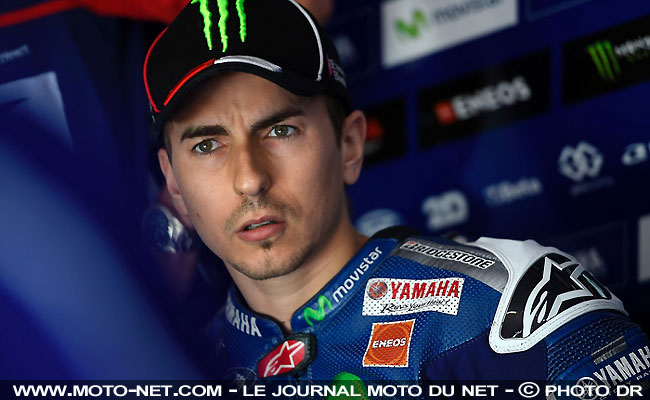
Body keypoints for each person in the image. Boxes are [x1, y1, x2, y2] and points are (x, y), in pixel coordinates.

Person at [144, 0, 650, 393]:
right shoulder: (170, 364)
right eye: (207, 145)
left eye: (280, 131)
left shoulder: (506, 304)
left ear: (349, 145)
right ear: (174, 183)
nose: (250, 179)